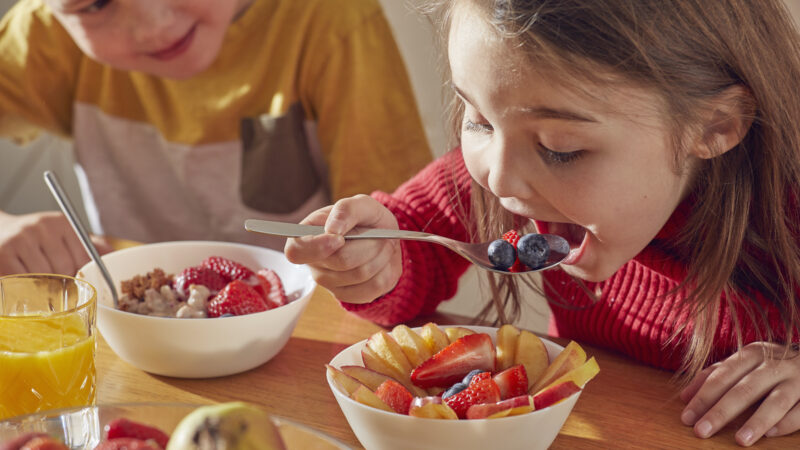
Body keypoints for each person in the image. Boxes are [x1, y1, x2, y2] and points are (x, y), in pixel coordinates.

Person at [285, 0, 800, 446]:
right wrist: (377, 261)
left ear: (716, 126)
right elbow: (415, 239)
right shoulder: (513, 168)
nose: (501, 179)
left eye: (561, 149)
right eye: (478, 121)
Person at [0, 0, 432, 276]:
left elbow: (407, 243)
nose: (152, 25)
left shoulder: (333, 20)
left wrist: (371, 266)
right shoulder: (44, 35)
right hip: (132, 347)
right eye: (94, 4)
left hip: (301, 347)